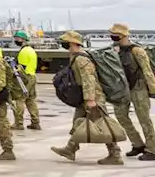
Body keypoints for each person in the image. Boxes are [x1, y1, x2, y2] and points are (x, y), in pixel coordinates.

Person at [51, 30, 123, 165]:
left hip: (93, 98)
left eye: (66, 42)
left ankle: (115, 154)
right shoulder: (75, 57)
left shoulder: (81, 59)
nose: (63, 44)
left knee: (103, 126)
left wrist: (90, 100)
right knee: (78, 123)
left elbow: (88, 79)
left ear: (73, 43)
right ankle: (70, 149)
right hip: (85, 98)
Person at [110, 23, 155, 159]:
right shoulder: (114, 49)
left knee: (144, 118)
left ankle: (152, 149)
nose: (112, 36)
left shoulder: (137, 50)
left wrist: (152, 89)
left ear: (123, 35)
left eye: (115, 34)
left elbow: (147, 71)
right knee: (121, 116)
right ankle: (137, 144)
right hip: (123, 88)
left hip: (138, 87)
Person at [11, 30, 41, 130]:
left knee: (20, 99)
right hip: (32, 76)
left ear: (23, 39)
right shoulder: (31, 50)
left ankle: (18, 123)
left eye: (17, 38)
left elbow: (21, 67)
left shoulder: (23, 52)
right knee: (31, 100)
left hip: (24, 78)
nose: (15, 40)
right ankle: (35, 122)